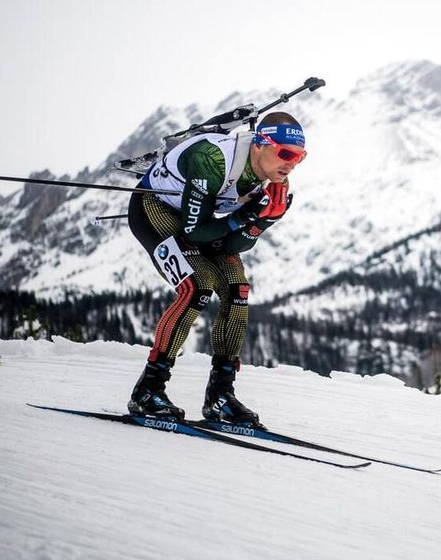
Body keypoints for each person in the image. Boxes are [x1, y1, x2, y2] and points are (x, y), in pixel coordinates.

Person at [125, 111, 306, 426]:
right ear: (261, 144)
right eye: (286, 154)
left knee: (238, 290)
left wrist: (262, 221)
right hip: (155, 207)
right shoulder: (214, 160)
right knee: (198, 285)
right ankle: (148, 389)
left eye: (300, 157)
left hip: (208, 224)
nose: (292, 164)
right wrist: (242, 216)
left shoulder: (275, 176)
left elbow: (230, 246)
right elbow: (195, 233)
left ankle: (221, 395)